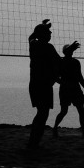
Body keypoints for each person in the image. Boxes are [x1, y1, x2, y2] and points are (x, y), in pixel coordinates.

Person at [27, 19, 61, 149]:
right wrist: (58, 76)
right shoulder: (48, 47)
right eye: (48, 31)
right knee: (43, 114)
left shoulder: (33, 44)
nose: (50, 32)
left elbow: (31, 37)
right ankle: (33, 144)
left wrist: (42, 26)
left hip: (34, 84)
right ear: (42, 34)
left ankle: (33, 143)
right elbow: (59, 62)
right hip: (44, 84)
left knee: (41, 113)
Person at [53, 41, 84, 138]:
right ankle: (55, 128)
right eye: (70, 50)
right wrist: (64, 83)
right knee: (65, 111)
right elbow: (56, 77)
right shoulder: (62, 62)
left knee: (80, 110)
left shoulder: (74, 62)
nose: (72, 51)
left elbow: (79, 76)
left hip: (73, 88)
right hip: (68, 88)